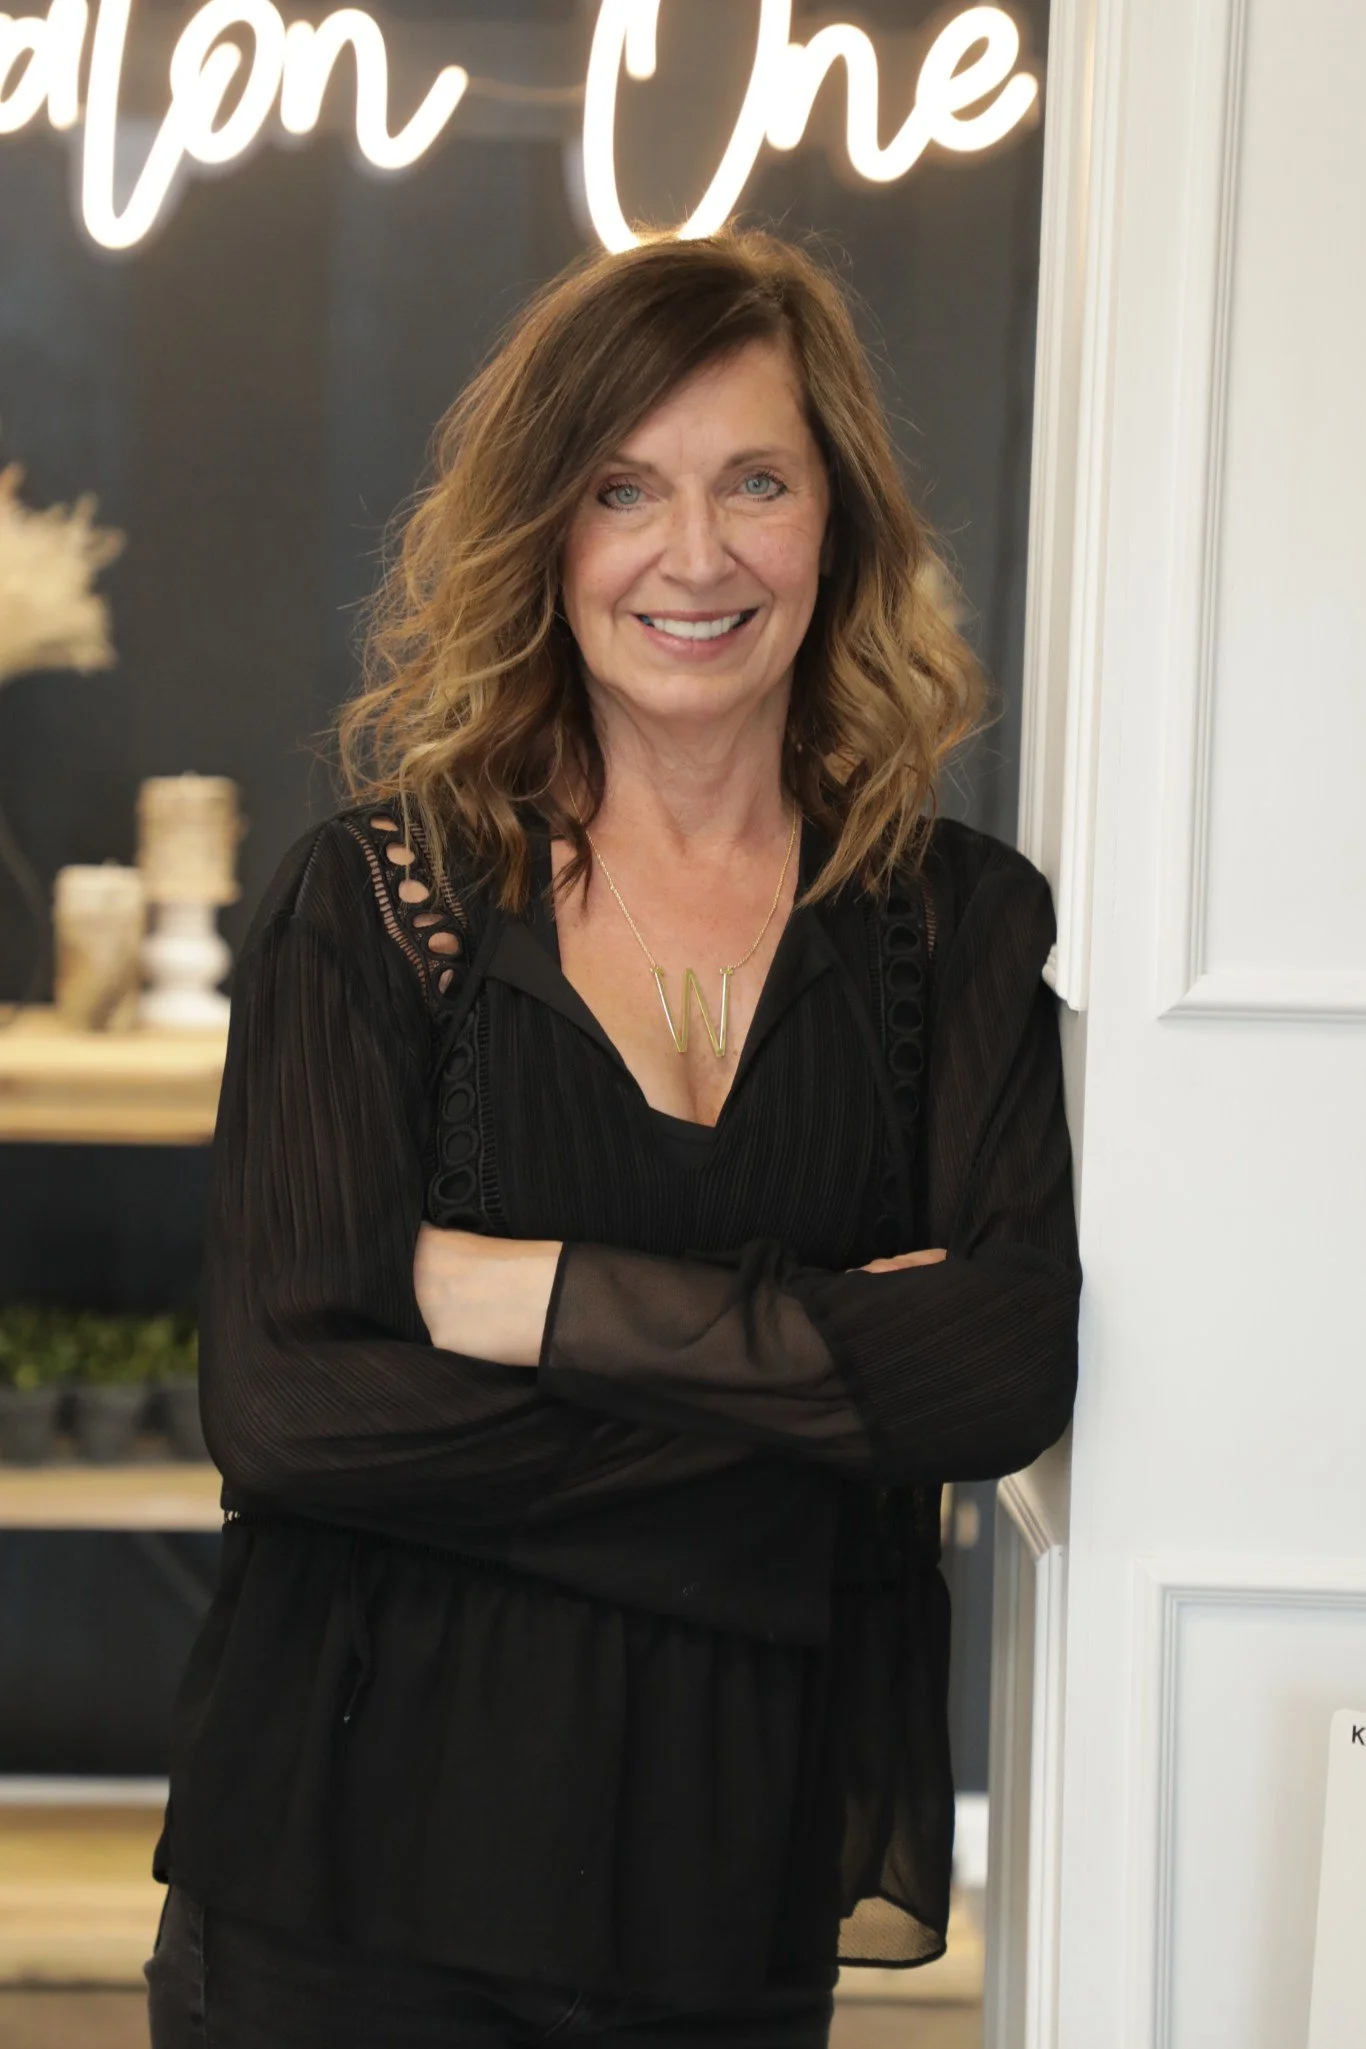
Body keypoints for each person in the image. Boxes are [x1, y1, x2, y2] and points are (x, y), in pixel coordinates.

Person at [145, 226, 1080, 2048]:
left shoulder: (954, 926)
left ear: (841, 524)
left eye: (756, 481)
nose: (697, 554)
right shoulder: (378, 904)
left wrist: (535, 1297)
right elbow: (285, 1408)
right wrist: (802, 1423)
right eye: (622, 488)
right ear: (545, 536)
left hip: (716, 1889)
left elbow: (995, 1367)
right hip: (342, 1875)